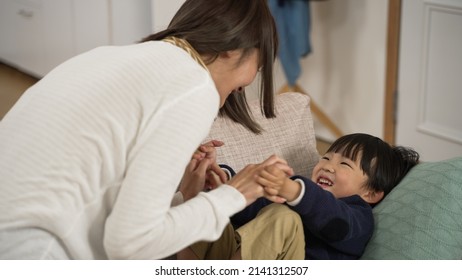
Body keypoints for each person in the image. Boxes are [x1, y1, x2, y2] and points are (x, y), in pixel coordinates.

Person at [0, 0, 289, 260]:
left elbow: (90, 174)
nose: (247, 83)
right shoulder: (194, 87)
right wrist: (234, 195)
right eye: (259, 66)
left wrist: (177, 182)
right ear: (232, 46)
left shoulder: (109, 56)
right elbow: (130, 244)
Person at [231, 133, 420, 259]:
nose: (328, 166)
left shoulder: (358, 218)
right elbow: (248, 209)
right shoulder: (297, 196)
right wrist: (225, 184)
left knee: (284, 217)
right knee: (217, 223)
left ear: (370, 193)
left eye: (345, 164)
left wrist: (293, 190)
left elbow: (333, 220)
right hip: (238, 250)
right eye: (326, 157)